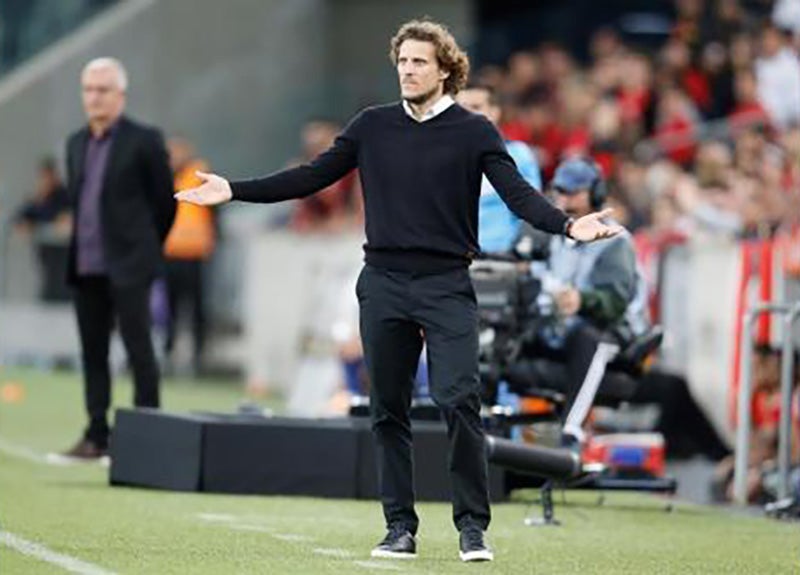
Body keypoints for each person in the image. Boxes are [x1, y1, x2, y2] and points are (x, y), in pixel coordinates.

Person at [176, 19, 620, 563]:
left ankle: (472, 528)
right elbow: (311, 177)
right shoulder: (372, 126)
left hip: (447, 284)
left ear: (445, 70)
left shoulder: (475, 132)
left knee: (460, 399)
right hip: (383, 282)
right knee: (388, 409)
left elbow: (520, 197)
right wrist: (235, 189)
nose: (408, 71)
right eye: (403, 62)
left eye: (419, 63)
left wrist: (569, 227)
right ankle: (399, 527)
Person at [57, 58, 175, 460]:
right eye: (88, 89)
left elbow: (165, 204)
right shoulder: (75, 143)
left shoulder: (144, 140)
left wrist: (144, 248)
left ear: (120, 94)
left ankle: (148, 438)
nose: (94, 97)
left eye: (103, 89)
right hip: (85, 264)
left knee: (139, 349)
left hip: (130, 264)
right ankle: (96, 435)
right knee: (93, 353)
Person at [525, 158, 647, 446]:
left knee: (590, 339)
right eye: (560, 191)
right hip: (560, 326)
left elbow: (615, 302)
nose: (565, 198)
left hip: (612, 329)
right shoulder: (553, 236)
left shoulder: (614, 240)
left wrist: (582, 300)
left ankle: (572, 431)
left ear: (594, 192)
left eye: (573, 191)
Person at [455, 82, 543, 253]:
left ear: (494, 112)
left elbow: (532, 211)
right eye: (461, 108)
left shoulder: (518, 155)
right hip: (454, 261)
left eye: (475, 107)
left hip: (501, 260)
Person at [163, 138, 215, 374]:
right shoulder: (164, 178)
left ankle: (198, 358)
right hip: (170, 254)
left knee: (196, 309)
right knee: (169, 309)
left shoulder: (201, 175)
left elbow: (215, 213)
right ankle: (168, 353)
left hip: (195, 255)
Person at [13, 157, 72, 301]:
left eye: (48, 176)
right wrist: (25, 223)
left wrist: (63, 219)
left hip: (64, 261)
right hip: (46, 261)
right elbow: (23, 215)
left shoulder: (64, 196)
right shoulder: (38, 199)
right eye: (42, 177)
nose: (45, 181)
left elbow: (64, 215)